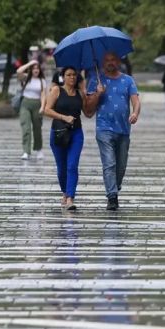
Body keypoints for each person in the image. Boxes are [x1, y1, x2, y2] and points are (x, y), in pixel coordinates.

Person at [85, 52, 141, 211]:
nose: (110, 63)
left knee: (121, 166)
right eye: (107, 60)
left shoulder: (128, 80)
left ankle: (114, 188)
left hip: (123, 129)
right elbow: (88, 110)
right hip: (104, 129)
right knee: (109, 163)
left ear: (118, 61)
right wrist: (98, 93)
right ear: (103, 63)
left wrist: (135, 113)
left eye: (113, 60)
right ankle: (112, 197)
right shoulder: (96, 80)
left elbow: (136, 101)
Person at [43, 67, 91, 211]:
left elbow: (88, 113)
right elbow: (47, 109)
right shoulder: (57, 90)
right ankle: (65, 192)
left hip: (76, 133)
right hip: (59, 133)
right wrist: (63, 117)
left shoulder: (80, 94)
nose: (72, 77)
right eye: (68, 75)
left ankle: (70, 197)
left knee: (72, 165)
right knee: (61, 167)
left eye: (74, 75)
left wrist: (97, 95)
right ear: (63, 77)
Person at [16, 60, 47, 160]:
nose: (36, 70)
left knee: (37, 128)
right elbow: (18, 71)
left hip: (37, 104)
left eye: (37, 68)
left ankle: (39, 149)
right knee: (26, 128)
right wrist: (30, 63)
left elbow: (43, 95)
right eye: (34, 69)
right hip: (25, 104)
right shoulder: (25, 78)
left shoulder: (42, 81)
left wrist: (42, 107)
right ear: (31, 70)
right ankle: (26, 151)